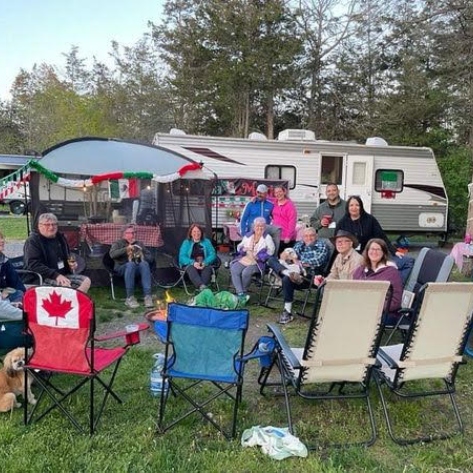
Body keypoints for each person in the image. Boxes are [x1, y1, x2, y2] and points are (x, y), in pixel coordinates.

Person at [336, 195, 414, 283]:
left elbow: (382, 236)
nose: (354, 208)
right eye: (351, 205)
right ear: (347, 208)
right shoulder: (342, 223)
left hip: (372, 253)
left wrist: (394, 251)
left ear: (361, 207)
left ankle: (396, 285)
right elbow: (337, 243)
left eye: (357, 205)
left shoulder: (370, 220)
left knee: (408, 261)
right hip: (353, 257)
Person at [267, 227, 329, 325]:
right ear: (303, 237)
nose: (309, 238)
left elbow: (317, 261)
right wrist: (289, 257)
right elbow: (284, 256)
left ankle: (287, 311)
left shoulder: (321, 246)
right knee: (271, 259)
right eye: (306, 236)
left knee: (287, 279)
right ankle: (285, 272)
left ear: (316, 236)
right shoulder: (299, 244)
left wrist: (296, 260)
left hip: (308, 275)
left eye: (311, 235)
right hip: (292, 270)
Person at [24, 213, 91, 293]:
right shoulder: (33, 241)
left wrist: (71, 262)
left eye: (54, 224)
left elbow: (68, 254)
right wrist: (56, 275)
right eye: (47, 225)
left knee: (86, 281)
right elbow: (33, 264)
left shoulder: (60, 237)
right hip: (43, 277)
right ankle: (70, 302)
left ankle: (76, 300)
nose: (51, 227)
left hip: (63, 274)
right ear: (39, 226)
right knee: (66, 286)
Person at [353, 238, 403, 325]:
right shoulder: (360, 270)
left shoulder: (392, 272)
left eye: (378, 249)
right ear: (367, 251)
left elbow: (396, 301)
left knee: (357, 317)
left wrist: (371, 306)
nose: (374, 252)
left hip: (386, 313)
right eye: (372, 249)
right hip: (361, 309)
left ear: (383, 253)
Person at [230, 217, 275, 302]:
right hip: (246, 257)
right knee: (234, 269)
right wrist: (243, 249)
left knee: (246, 272)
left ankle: (242, 292)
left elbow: (271, 251)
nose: (259, 228)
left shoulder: (267, 238)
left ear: (264, 227)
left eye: (261, 226)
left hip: (257, 262)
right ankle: (241, 294)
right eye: (257, 226)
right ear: (254, 227)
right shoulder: (248, 235)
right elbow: (240, 246)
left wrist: (260, 257)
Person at [110, 225, 155, 309]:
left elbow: (151, 258)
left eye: (133, 233)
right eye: (129, 233)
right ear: (124, 234)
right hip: (121, 268)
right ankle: (129, 298)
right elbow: (112, 254)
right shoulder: (118, 243)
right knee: (131, 264)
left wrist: (142, 254)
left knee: (144, 264)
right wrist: (126, 249)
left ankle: (148, 297)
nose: (132, 235)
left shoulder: (139, 243)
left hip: (137, 267)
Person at [178, 223, 217, 291]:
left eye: (198, 231)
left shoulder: (206, 242)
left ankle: (201, 288)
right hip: (190, 264)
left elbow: (213, 254)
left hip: (204, 263)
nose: (196, 233)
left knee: (207, 268)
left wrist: (205, 262)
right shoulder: (186, 242)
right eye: (194, 231)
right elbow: (182, 257)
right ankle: (202, 287)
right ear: (190, 233)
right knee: (191, 268)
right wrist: (193, 263)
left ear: (201, 233)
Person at [0, 231, 26, 303]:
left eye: (2, 238)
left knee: (19, 294)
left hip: (5, 299)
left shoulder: (4, 261)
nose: (2, 241)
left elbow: (16, 283)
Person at [271, 185, 297, 253]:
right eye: (276, 192)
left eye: (280, 191)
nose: (278, 194)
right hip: (276, 235)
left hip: (285, 237)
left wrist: (288, 236)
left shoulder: (290, 205)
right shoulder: (275, 202)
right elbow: (265, 198)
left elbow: (292, 221)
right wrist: (256, 197)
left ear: (284, 192)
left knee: (284, 259)